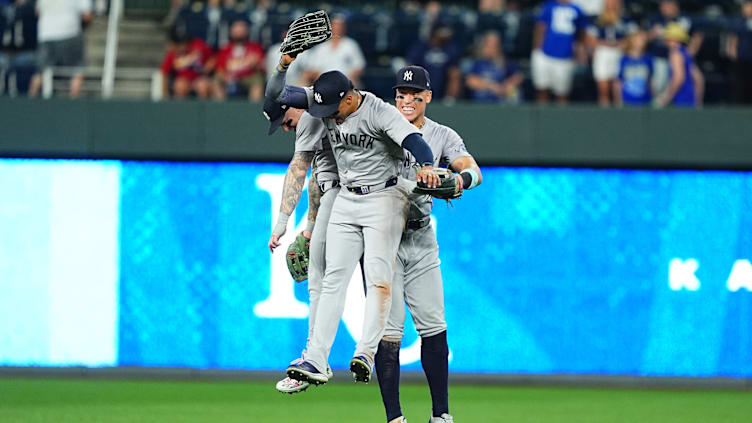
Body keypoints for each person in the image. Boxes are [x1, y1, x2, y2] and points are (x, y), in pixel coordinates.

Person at [266, 53, 441, 386]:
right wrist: (283, 66)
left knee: (378, 279)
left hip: (384, 199)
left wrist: (428, 165)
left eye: (332, 109)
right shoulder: (324, 98)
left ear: (348, 98)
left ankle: (366, 352)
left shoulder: (380, 112)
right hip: (346, 197)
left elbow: (415, 141)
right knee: (333, 278)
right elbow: (277, 95)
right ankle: (316, 360)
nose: (326, 116)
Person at [375, 65, 483, 423]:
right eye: (401, 94)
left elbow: (472, 169)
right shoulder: (381, 127)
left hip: (421, 236)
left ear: (428, 97)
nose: (407, 100)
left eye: (414, 94)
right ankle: (395, 418)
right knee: (389, 332)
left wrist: (459, 180)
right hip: (383, 237)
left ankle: (441, 416)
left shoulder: (441, 134)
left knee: (434, 326)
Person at [261, 99, 340, 394]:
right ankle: (316, 357)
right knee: (321, 282)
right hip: (340, 206)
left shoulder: (317, 120)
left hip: (362, 205)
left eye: (285, 118)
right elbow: (317, 182)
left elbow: (300, 169)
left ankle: (317, 359)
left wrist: (284, 223)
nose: (284, 127)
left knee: (323, 283)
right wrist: (309, 229)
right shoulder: (319, 130)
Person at [29, 0, 92, 98]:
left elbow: (37, 12)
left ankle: (30, 100)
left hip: (46, 35)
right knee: (77, 70)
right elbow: (87, 16)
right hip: (70, 33)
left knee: (40, 71)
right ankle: (73, 101)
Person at [532, 0, 590, 104]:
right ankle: (541, 117)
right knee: (542, 88)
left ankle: (561, 118)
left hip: (565, 56)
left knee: (562, 93)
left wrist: (580, 51)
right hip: (545, 53)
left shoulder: (577, 9)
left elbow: (582, 33)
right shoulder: (549, 6)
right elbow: (540, 27)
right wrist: (537, 47)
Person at [298, 14, 366, 88]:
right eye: (335, 25)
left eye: (340, 26)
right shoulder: (321, 47)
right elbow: (313, 68)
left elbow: (360, 67)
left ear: (344, 27)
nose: (337, 28)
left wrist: (347, 79)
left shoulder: (351, 45)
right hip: (324, 83)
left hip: (345, 82)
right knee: (304, 78)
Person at [588, 0, 633, 106]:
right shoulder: (597, 19)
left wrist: (622, 43)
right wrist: (608, 44)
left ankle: (619, 110)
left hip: (619, 52)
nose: (612, 5)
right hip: (602, 52)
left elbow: (632, 37)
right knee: (603, 86)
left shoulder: (625, 19)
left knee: (617, 85)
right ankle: (604, 110)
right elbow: (591, 39)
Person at [406, 22, 462, 102]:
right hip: (423, 82)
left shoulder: (451, 48)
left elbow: (454, 69)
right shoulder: (421, 47)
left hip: (443, 81)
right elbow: (411, 65)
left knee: (455, 73)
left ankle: (449, 100)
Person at [211, 20, 265, 101]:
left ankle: (253, 110)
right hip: (228, 77)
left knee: (258, 80)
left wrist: (254, 64)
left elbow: (260, 65)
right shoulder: (225, 49)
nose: (239, 33)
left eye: (241, 31)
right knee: (216, 80)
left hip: (248, 77)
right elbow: (220, 68)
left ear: (247, 32)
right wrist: (225, 76)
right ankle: (221, 109)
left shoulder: (255, 47)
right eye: (236, 31)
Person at [465, 31, 523, 103]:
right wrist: (491, 86)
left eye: (495, 45)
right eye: (489, 45)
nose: (492, 48)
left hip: (501, 98)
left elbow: (518, 77)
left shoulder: (507, 62)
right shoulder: (478, 63)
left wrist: (505, 86)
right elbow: (470, 81)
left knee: (514, 92)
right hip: (482, 100)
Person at [160, 29, 213, 99]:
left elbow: (213, 58)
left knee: (203, 86)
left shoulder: (198, 45)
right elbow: (165, 73)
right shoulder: (172, 54)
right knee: (180, 86)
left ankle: (203, 109)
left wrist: (207, 68)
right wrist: (165, 93)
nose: (183, 46)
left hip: (199, 78)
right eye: (180, 44)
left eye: (184, 43)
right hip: (183, 79)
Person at [658, 23, 702, 108]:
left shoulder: (675, 54)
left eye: (667, 39)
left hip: (679, 100)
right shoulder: (687, 54)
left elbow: (678, 78)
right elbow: (699, 79)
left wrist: (665, 99)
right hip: (690, 100)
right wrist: (698, 101)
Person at [614, 29, 653, 107]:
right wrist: (618, 100)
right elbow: (618, 82)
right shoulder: (623, 60)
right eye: (639, 40)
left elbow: (650, 80)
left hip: (645, 100)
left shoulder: (648, 59)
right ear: (632, 41)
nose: (642, 42)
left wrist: (652, 98)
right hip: (628, 100)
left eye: (643, 40)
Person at [727, 0, 752, 104]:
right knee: (740, 84)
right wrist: (732, 52)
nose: (745, 9)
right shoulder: (739, 22)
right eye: (744, 7)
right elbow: (733, 38)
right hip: (742, 59)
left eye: (748, 7)